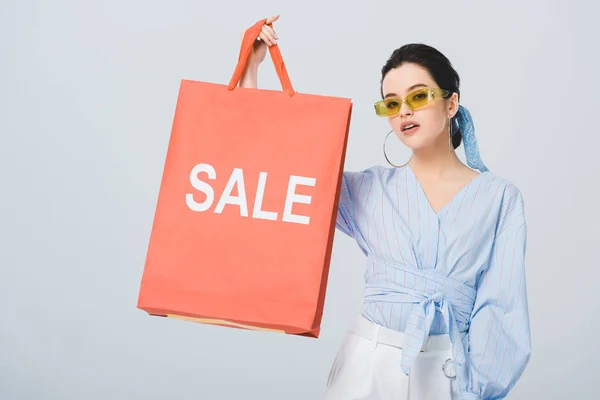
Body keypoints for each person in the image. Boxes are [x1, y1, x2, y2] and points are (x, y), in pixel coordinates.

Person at [239, 15, 531, 400]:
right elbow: (276, 167)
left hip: (451, 373)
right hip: (366, 366)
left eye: (418, 96)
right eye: (392, 103)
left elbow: (502, 307)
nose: (404, 111)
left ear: (451, 103)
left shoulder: (499, 198)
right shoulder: (368, 188)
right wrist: (251, 68)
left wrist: (477, 389)